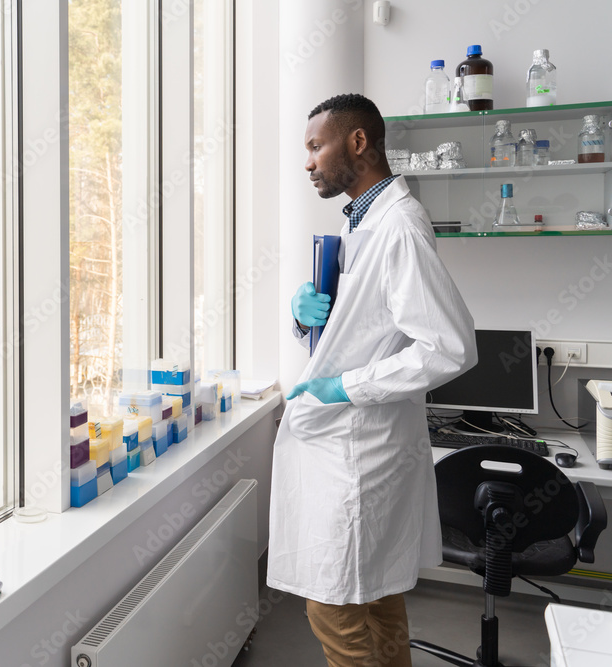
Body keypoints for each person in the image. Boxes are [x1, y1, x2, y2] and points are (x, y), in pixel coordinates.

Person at [266, 93, 477, 667]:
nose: (307, 162)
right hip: (354, 442)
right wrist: (305, 315)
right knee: (378, 595)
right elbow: (366, 331)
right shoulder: (362, 222)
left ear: (357, 142)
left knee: (332, 604)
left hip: (361, 446)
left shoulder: (399, 228)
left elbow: (449, 346)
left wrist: (348, 387)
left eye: (316, 146)